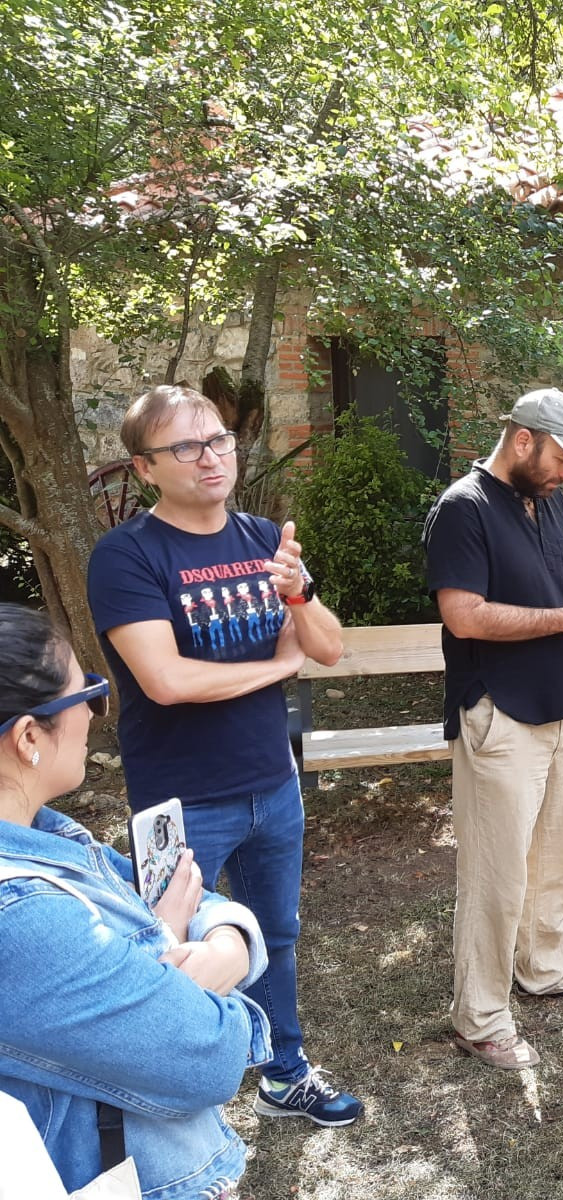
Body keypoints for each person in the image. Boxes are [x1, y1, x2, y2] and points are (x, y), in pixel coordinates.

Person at [86, 385, 362, 1126]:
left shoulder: (264, 537)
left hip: (272, 785)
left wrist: (298, 597)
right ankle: (175, 1097)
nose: (209, 458)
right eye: (184, 447)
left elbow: (329, 650)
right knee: (169, 947)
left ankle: (283, 1073)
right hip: (181, 798)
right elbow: (167, 681)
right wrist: (277, 667)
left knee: (274, 937)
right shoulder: (125, 557)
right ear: (145, 468)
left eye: (217, 441)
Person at [0, 603, 272, 1198]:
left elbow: (189, 896)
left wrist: (228, 942)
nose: (97, 714)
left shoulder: (45, 833)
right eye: (89, 694)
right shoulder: (20, 915)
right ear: (28, 736)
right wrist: (171, 939)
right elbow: (207, 1057)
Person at [423, 387, 563, 1070]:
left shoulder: (548, 501)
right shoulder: (461, 509)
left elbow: (561, 583)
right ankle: (479, 1017)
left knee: (556, 858)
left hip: (561, 700)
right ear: (523, 441)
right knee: (495, 875)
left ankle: (546, 969)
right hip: (500, 713)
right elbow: (464, 615)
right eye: (561, 458)